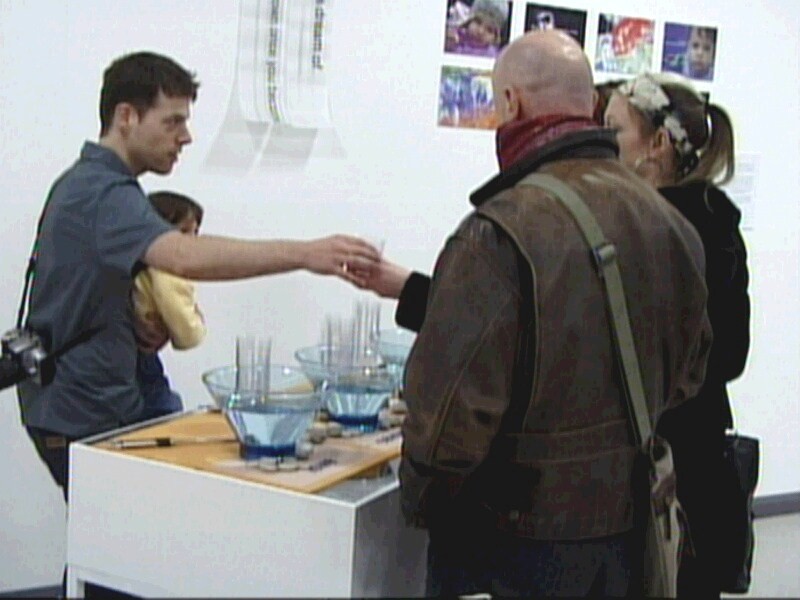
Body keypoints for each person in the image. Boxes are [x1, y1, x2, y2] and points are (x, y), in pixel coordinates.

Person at [363, 29, 713, 596]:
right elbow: (689, 373)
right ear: (592, 106)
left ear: (510, 105)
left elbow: (448, 418)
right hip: (630, 534)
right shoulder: (670, 221)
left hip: (514, 542)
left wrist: (424, 507)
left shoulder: (500, 230)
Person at [17, 51, 380, 503]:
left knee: (116, 542)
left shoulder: (97, 186)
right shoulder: (100, 191)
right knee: (112, 545)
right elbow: (184, 257)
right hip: (84, 410)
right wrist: (306, 253)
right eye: (172, 122)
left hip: (99, 397)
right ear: (126, 117)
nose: (186, 137)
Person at [604, 72, 750, 598]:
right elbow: (731, 356)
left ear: (657, 145)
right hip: (694, 460)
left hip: (662, 472)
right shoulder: (715, 223)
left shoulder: (660, 231)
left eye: (614, 129)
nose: (603, 142)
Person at [134, 191, 206, 421]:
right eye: (184, 232)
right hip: (139, 358)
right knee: (164, 412)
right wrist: (197, 325)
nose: (192, 241)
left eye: (195, 233)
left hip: (134, 353)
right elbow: (187, 330)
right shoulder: (166, 268)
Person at [445, 0, 509, 58]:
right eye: (478, 22)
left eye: (489, 30)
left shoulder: (495, 57)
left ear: (495, 38)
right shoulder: (454, 39)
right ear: (469, 21)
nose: (480, 31)